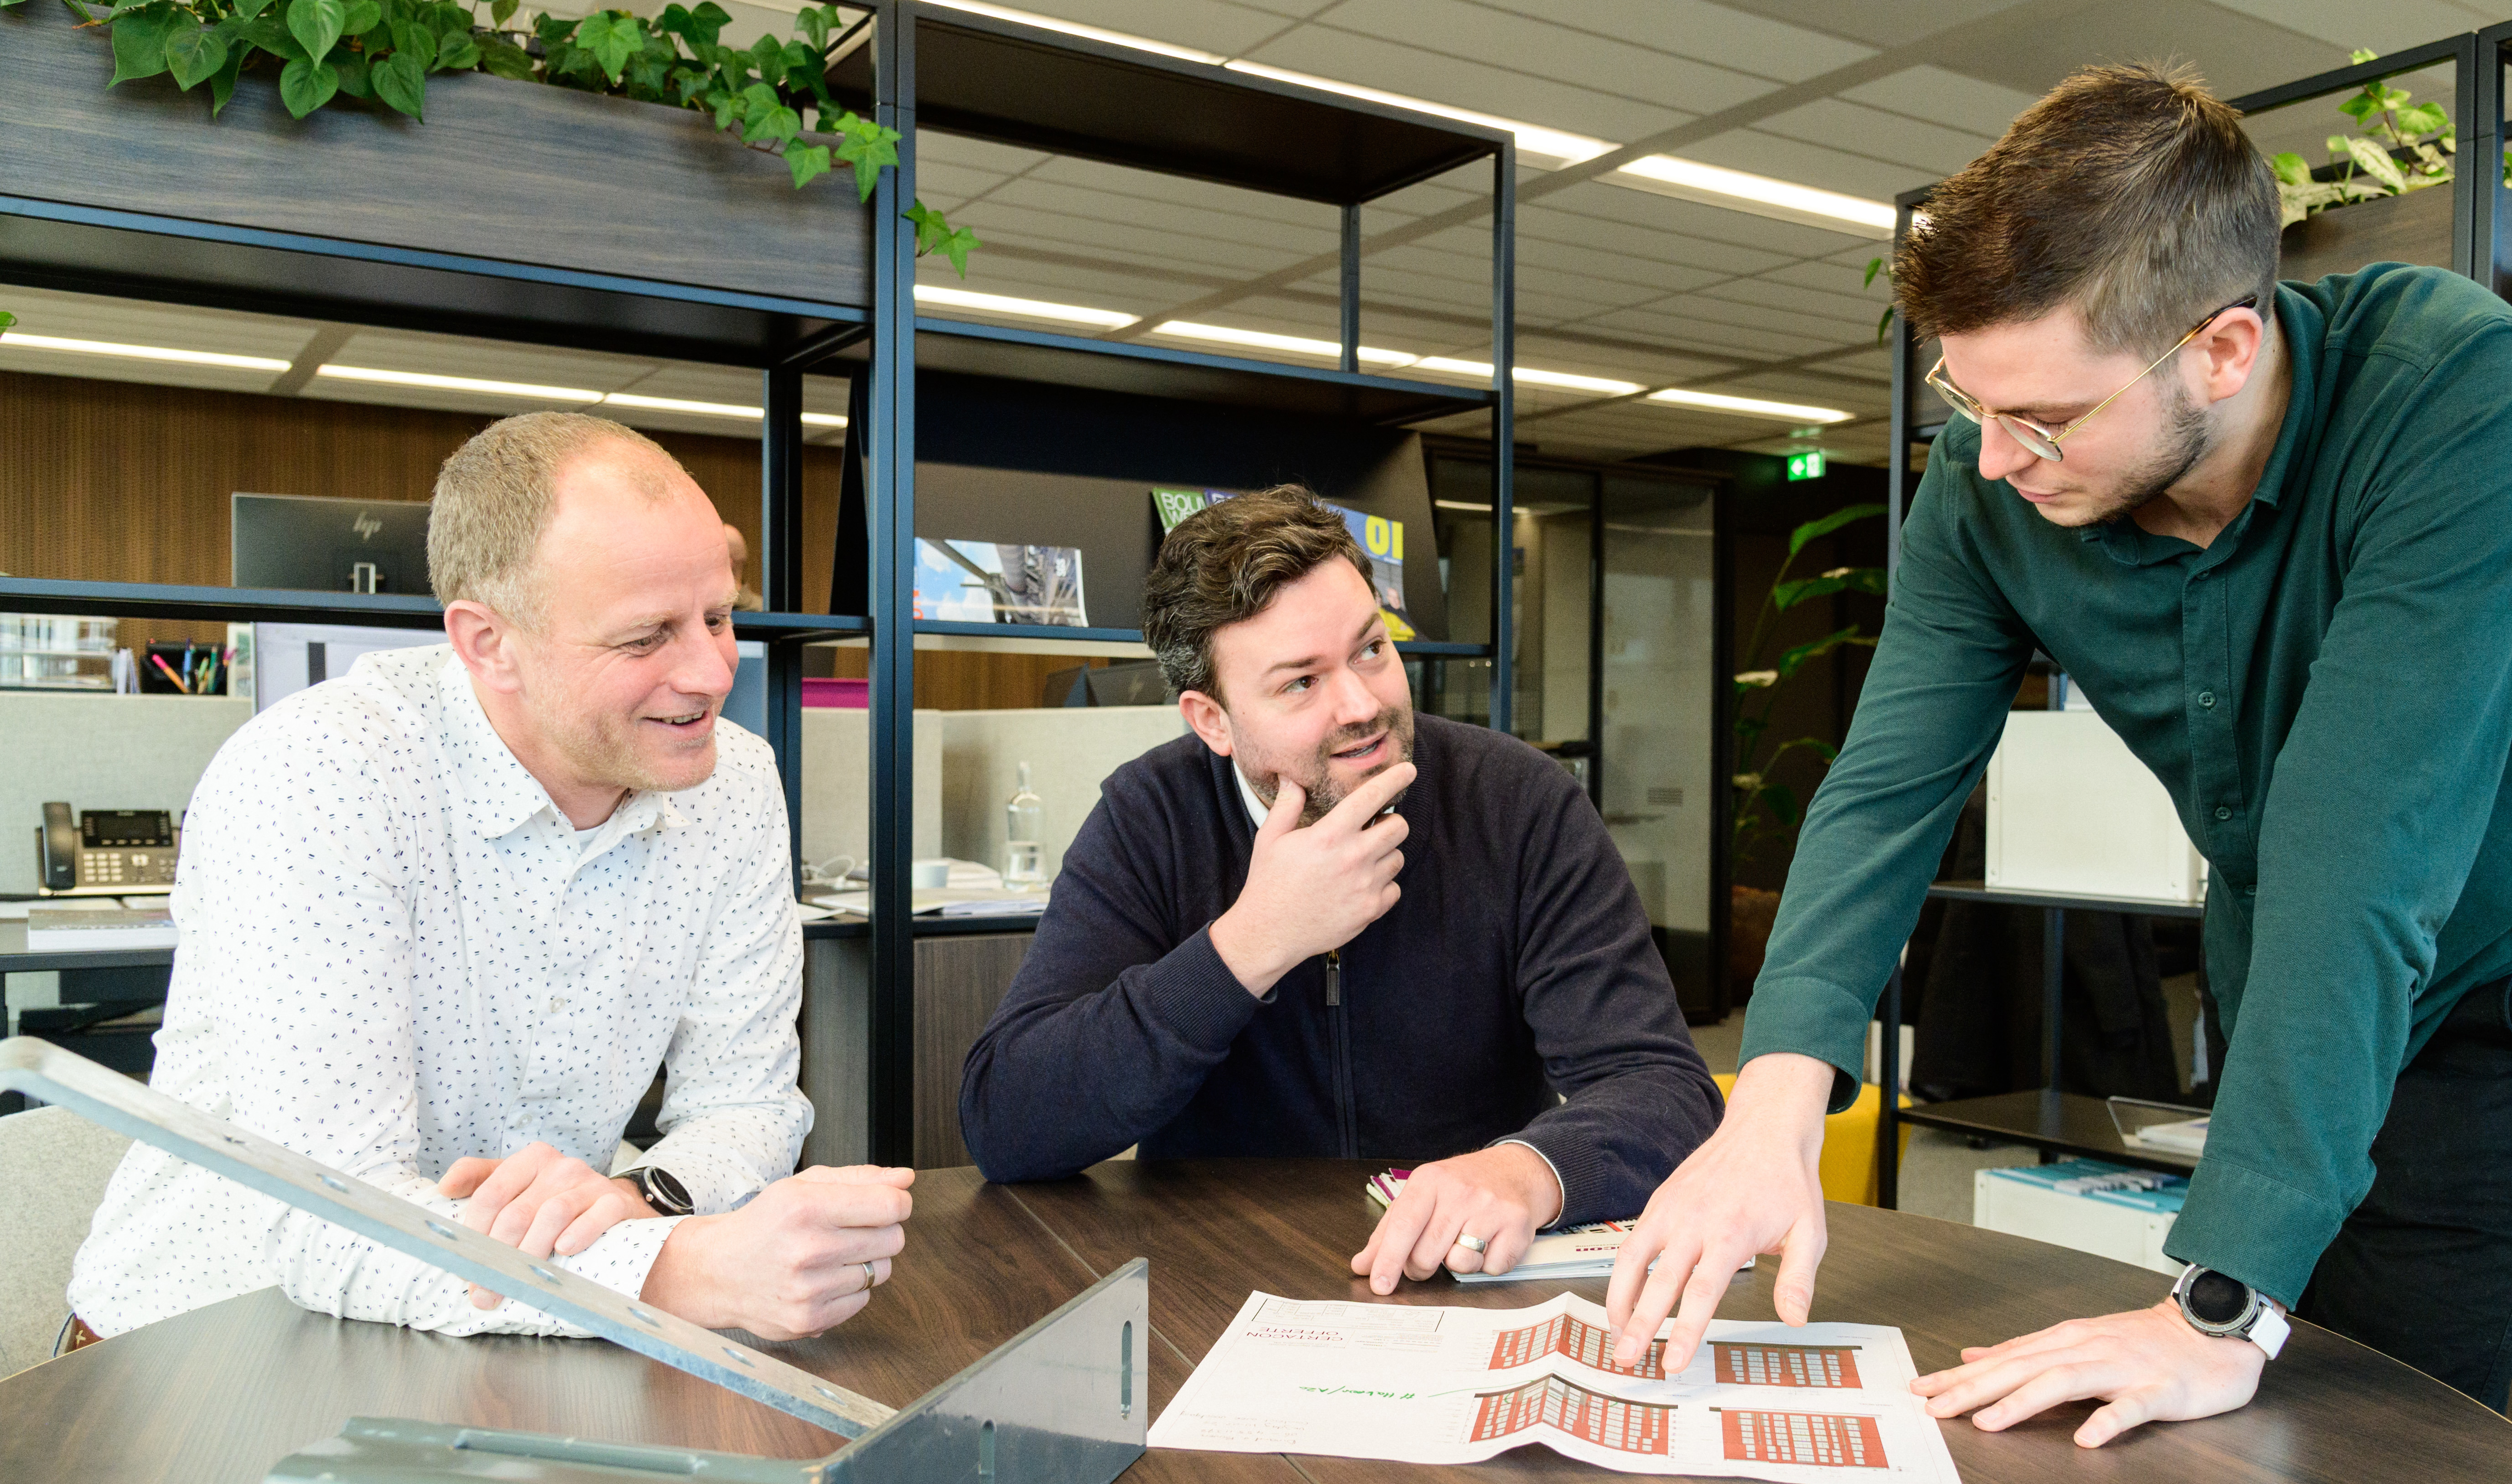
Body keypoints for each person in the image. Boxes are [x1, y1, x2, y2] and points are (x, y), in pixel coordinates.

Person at [1607, 62, 2512, 1443]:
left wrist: (2220, 1304)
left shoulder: (2451, 389)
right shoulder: (1989, 484)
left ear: (2221, 349)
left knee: (2388, 1431)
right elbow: (1886, 787)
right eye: (1972, 404)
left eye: (2044, 417)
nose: (1994, 461)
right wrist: (1774, 1102)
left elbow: (2365, 841)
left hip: (2508, 986)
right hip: (2280, 953)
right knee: (2233, 1426)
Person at [66, 413, 911, 1348]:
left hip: (501, 1350)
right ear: (487, 642)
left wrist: (637, 1198)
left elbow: (748, 1102)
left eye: (718, 616)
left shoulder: (733, 782)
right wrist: (672, 1267)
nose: (713, 670)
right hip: (204, 1361)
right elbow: (328, 1217)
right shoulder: (323, 772)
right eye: (646, 638)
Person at [960, 485, 1720, 1285]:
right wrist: (1251, 943)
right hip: (1214, 1282)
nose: (1364, 705)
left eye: (1371, 651)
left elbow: (1664, 1087)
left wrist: (1528, 1170)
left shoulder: (1519, 804)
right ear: (1212, 720)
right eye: (1301, 683)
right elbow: (1008, 1119)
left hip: (1455, 1278)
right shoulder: (1151, 818)